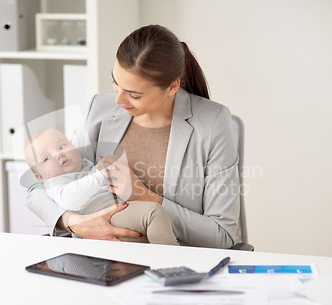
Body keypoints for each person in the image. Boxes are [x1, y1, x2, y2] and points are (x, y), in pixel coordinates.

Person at [27, 24, 240, 248]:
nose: (118, 100)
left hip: (172, 262)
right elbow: (38, 186)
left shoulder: (212, 122)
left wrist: (145, 196)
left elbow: (223, 236)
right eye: (116, 83)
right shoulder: (99, 109)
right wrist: (74, 222)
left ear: (172, 87)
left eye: (134, 94)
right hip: (102, 258)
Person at [25, 128, 179, 245]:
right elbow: (70, 200)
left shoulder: (85, 165)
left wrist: (113, 166)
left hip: (120, 211)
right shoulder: (55, 183)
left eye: (62, 146)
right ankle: (174, 263)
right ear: (40, 177)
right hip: (102, 215)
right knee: (154, 213)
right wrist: (99, 174)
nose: (58, 154)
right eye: (46, 158)